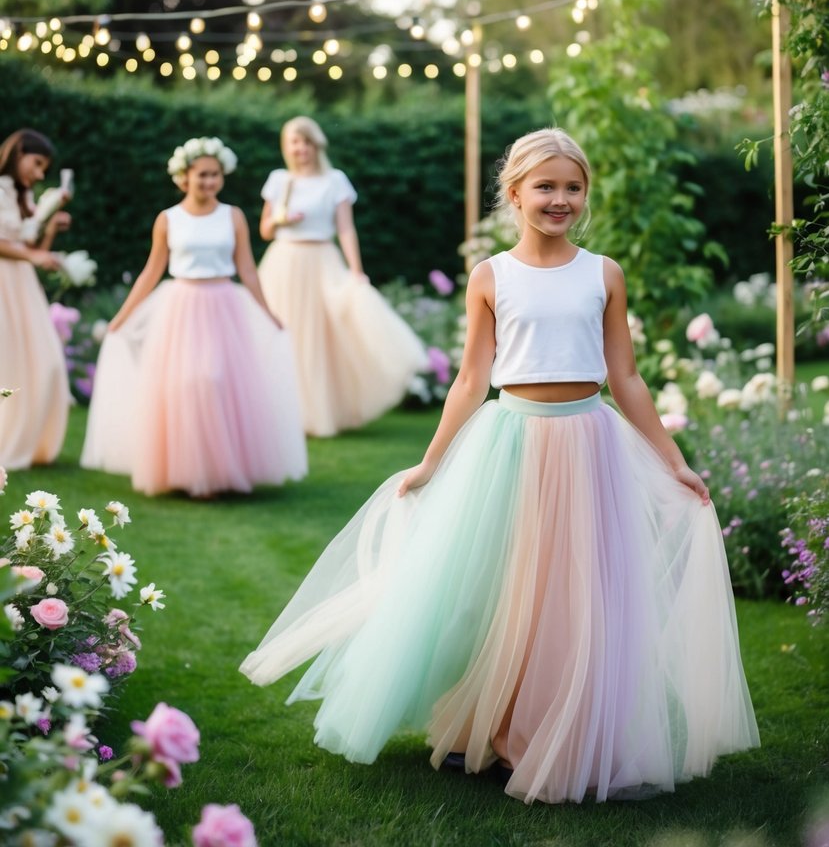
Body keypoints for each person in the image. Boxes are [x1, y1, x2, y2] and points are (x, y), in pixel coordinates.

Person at [240, 127, 759, 805]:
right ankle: (491, 726)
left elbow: (625, 377)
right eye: (545, 186)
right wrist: (430, 462)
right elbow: (470, 379)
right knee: (504, 591)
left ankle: (565, 730)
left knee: (579, 598)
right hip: (511, 441)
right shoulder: (492, 277)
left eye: (572, 188)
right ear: (513, 194)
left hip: (590, 445)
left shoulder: (602, 273)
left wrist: (673, 460)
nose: (559, 199)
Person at [81, 137, 307, 497]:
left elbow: (247, 269)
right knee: (184, 385)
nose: (209, 182)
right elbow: (151, 272)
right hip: (181, 307)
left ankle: (219, 472)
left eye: (215, 175)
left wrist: (269, 313)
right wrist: (122, 316)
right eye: (202, 175)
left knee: (216, 380)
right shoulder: (168, 219)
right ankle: (187, 472)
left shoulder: (232, 216)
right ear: (184, 177)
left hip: (222, 305)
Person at [257, 116, 427, 437]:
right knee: (282, 336)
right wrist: (281, 218)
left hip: (322, 260)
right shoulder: (279, 180)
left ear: (316, 144)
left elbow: (346, 229)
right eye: (294, 142)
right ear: (286, 146)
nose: (300, 148)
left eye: (306, 142)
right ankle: (282, 412)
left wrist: (356, 270)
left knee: (325, 337)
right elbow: (265, 229)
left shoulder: (334, 181)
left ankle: (321, 412)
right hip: (284, 263)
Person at [0, 129, 72, 468]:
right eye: (37, 163)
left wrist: (51, 227)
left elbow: (32, 251)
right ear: (18, 154)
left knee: (46, 364)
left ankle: (31, 442)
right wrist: (32, 257)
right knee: (8, 365)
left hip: (23, 288)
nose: (40, 173)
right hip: (3, 286)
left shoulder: (22, 196)